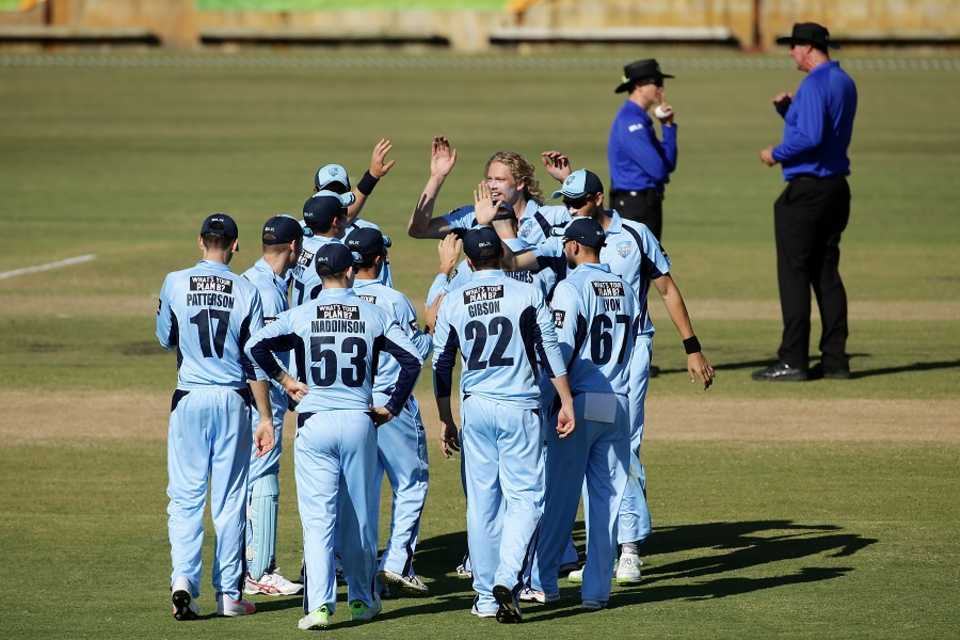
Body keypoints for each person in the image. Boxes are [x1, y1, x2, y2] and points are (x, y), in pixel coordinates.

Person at [484, 169, 714, 583]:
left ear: (597, 198)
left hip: (617, 358)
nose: (570, 208)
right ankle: (598, 565)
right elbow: (514, 260)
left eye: (576, 201)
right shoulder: (574, 242)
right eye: (566, 202)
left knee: (605, 457)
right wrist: (498, 224)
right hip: (599, 369)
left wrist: (691, 346)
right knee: (609, 455)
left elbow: (666, 289)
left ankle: (609, 555)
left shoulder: (634, 236)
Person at [245, 242, 423, 630]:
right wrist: (392, 406)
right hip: (360, 421)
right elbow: (412, 359)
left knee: (318, 519)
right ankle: (362, 600)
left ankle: (320, 607)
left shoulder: (302, 313)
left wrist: (286, 380)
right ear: (349, 273)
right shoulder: (374, 313)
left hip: (314, 421)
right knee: (360, 517)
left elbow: (254, 345)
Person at [432, 226, 576, 623]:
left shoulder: (454, 298)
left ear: (469, 260)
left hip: (475, 408)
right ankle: (508, 577)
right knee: (527, 499)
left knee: (482, 505)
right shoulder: (527, 290)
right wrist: (565, 400)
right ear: (501, 255)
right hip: (520, 406)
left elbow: (442, 365)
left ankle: (484, 597)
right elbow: (549, 349)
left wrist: (445, 418)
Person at [155, 213, 276, 620]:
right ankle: (228, 594)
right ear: (236, 245)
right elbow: (255, 360)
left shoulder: (174, 281)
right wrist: (266, 417)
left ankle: (182, 581)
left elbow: (165, 336)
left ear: (199, 241)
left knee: (185, 498)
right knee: (229, 501)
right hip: (231, 400)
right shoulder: (246, 289)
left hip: (189, 398)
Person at [532, 218, 638, 610]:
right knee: (606, 500)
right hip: (617, 399)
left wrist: (551, 401)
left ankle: (545, 583)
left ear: (574, 247)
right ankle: (597, 592)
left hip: (578, 400)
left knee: (559, 495)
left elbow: (557, 349)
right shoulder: (626, 288)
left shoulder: (570, 287)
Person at [754, 22, 857, 382]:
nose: (791, 53)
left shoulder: (813, 83)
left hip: (807, 191)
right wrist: (789, 113)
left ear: (809, 48)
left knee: (794, 275)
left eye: (794, 46)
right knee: (826, 274)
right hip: (835, 189)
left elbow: (811, 138)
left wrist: (775, 152)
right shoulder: (843, 81)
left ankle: (793, 359)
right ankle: (835, 359)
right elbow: (825, 132)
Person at [345, 226, 440, 595]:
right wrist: (431, 329)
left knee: (362, 492)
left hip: (351, 407)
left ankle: (364, 571)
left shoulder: (331, 297)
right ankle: (398, 561)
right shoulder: (394, 300)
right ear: (380, 259)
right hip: (392, 404)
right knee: (411, 483)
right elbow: (414, 354)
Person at [239, 215, 304, 597]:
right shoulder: (262, 288)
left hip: (261, 398)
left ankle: (248, 566)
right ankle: (260, 570)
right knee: (262, 477)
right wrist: (273, 404)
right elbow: (255, 354)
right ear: (294, 246)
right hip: (260, 400)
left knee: (254, 477)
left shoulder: (269, 281)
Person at [607, 58, 678, 240]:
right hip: (634, 207)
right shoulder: (631, 122)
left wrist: (667, 126)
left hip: (645, 204)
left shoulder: (640, 119)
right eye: (657, 83)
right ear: (639, 85)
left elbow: (668, 164)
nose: (661, 89)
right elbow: (659, 170)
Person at [312, 138, 396, 226]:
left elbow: (347, 215)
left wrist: (373, 176)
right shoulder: (366, 231)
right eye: (328, 191)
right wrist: (372, 176)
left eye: (339, 191)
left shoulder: (302, 230)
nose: (334, 198)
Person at [291, 190, 354, 307]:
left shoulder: (301, 245)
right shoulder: (336, 253)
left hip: (299, 316)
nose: (347, 216)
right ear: (335, 221)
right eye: (344, 212)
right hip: (317, 319)